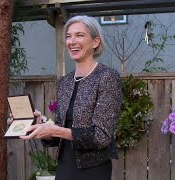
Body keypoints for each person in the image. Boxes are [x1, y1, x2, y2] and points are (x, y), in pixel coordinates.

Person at [20, 15, 122, 180]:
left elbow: (101, 136)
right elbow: (61, 130)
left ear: (95, 42)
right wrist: (42, 126)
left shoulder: (107, 77)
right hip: (64, 165)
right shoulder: (64, 82)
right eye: (68, 36)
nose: (72, 41)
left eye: (79, 35)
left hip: (93, 169)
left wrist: (54, 129)